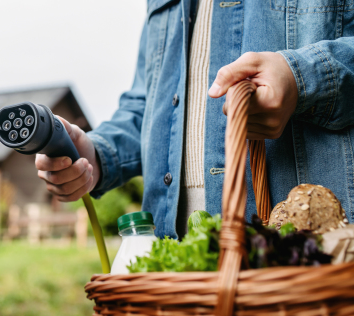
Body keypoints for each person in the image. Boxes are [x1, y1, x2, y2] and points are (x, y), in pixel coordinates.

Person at [35, 0, 354, 239]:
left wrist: (304, 78)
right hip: (175, 252)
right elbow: (149, 103)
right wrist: (97, 154)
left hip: (305, 246)